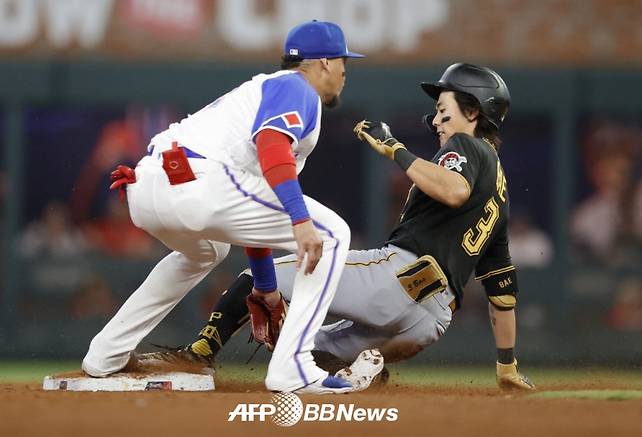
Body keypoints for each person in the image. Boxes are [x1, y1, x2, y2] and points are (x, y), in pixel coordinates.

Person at [142, 63, 535, 391]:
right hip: (429, 322)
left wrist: (394, 149)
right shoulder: (499, 198)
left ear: (473, 112)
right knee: (304, 353)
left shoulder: (467, 147)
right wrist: (506, 365)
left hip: (396, 280)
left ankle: (199, 354)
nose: (436, 120)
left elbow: (453, 190)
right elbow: (502, 291)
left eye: (444, 109)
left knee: (258, 277)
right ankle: (361, 373)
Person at [81, 20, 378, 394]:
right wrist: (301, 220)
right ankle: (294, 368)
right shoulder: (296, 87)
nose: (344, 73)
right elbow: (271, 146)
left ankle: (105, 354)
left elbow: (252, 208)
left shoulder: (262, 91)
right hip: (200, 184)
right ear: (322, 63)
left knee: (206, 251)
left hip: (150, 184)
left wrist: (266, 287)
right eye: (342, 63)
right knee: (333, 234)